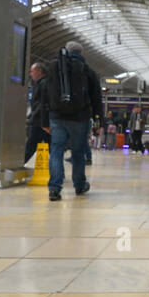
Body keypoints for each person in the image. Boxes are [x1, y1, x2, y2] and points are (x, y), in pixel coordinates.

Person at [46, 40, 101, 202]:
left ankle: (55, 189)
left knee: (56, 152)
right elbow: (96, 98)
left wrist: (45, 118)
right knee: (78, 153)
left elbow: (45, 93)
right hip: (80, 118)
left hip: (57, 117)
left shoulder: (54, 67)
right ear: (81, 53)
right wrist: (99, 121)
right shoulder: (87, 71)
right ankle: (79, 185)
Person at [24, 62, 49, 164]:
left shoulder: (43, 84)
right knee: (52, 148)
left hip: (40, 122)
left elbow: (41, 104)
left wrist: (32, 118)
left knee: (31, 146)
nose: (30, 74)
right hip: (42, 121)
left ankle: (19, 164)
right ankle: (58, 174)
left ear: (39, 71)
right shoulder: (41, 83)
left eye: (32, 71)